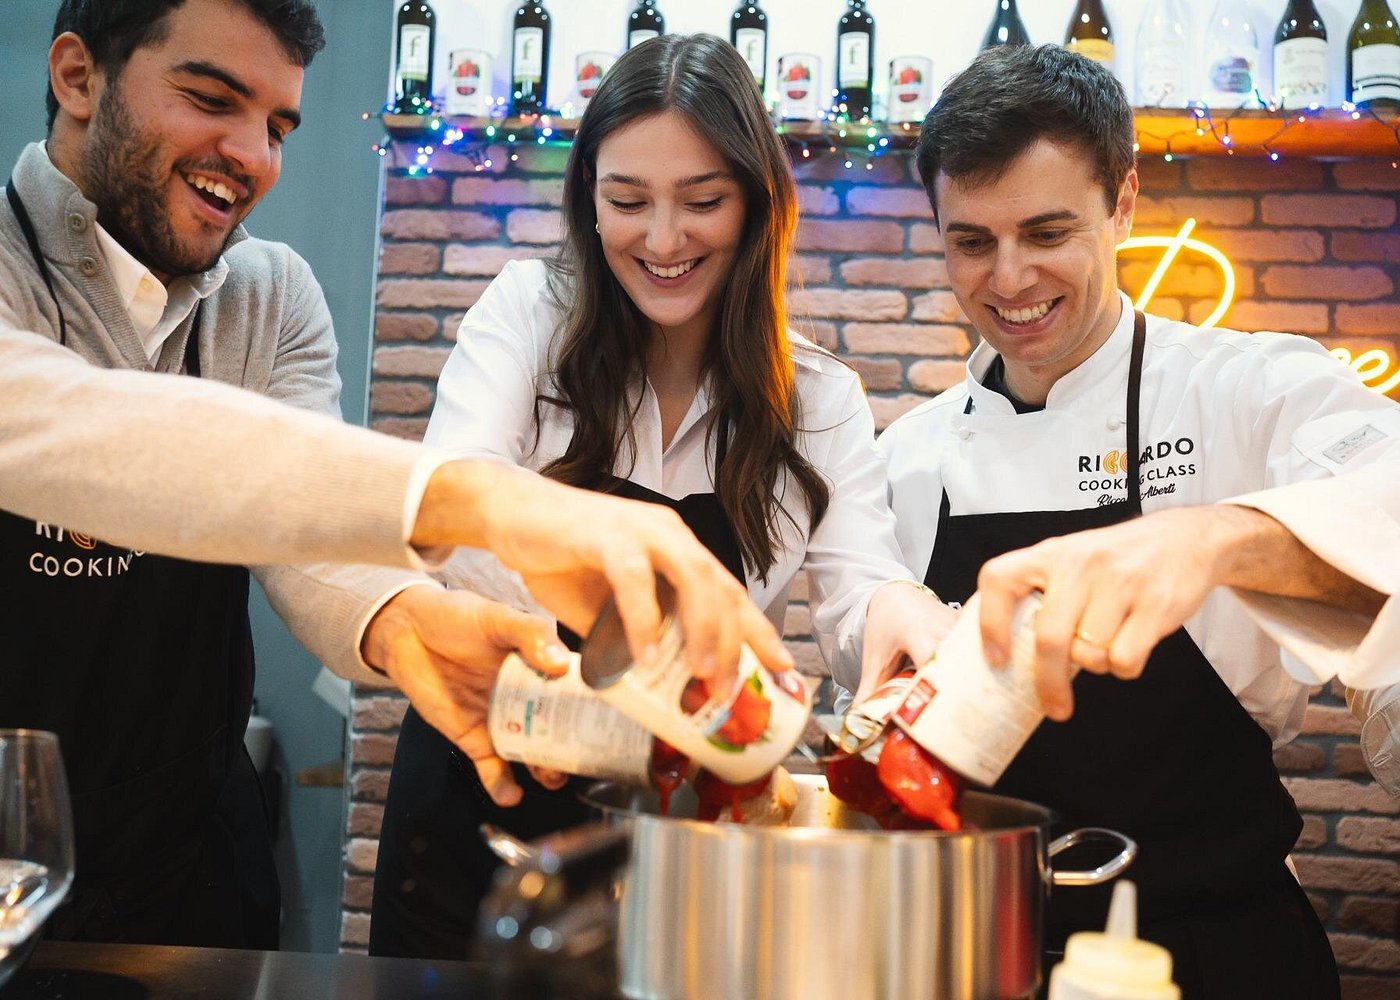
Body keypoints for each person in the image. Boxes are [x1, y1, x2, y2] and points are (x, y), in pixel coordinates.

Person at [1, 0, 787, 950]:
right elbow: (57, 425)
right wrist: (489, 503)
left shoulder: (270, 295)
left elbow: (302, 539)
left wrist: (403, 617)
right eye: (212, 99)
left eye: (278, 126)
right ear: (78, 77)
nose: (249, 155)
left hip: (189, 866)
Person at [368, 33, 948, 960]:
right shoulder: (525, 316)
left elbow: (856, 589)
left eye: (703, 202)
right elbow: (456, 506)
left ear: (757, 205)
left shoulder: (818, 398)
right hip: (486, 786)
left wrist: (903, 613)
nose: (665, 240)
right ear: (587, 200)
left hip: (676, 827)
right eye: (627, 201)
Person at [841, 44, 1400, 1000]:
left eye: (1047, 232)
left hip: (1213, 953)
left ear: (1124, 202)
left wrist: (1217, 537)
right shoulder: (910, 457)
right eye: (971, 241)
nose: (1008, 280)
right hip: (968, 957)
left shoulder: (1248, 388)